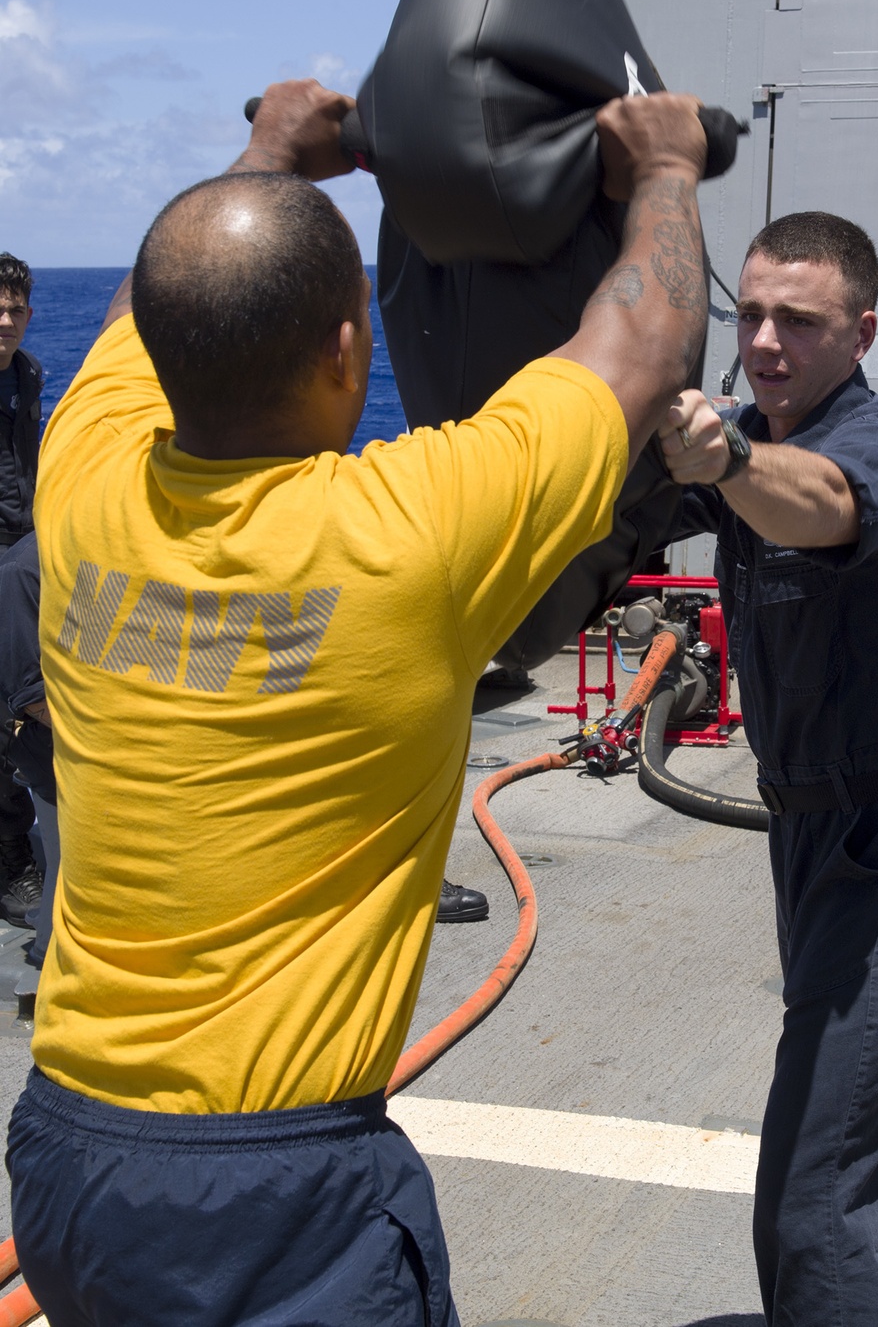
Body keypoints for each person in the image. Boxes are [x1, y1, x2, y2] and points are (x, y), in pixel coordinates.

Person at [7, 77, 711, 1326]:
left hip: (65, 1152)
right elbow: (640, 348)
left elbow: (139, 309)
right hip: (278, 1198)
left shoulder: (82, 469)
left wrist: (272, 145)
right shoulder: (411, 531)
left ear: (156, 361)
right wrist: (663, 164)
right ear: (350, 346)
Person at [660, 211, 878, 1327]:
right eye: (747, 314)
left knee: (813, 1192)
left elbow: (823, 505)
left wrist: (731, 456)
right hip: (807, 838)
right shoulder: (743, 436)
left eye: (797, 321)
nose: (762, 342)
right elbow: (626, 507)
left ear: (860, 334)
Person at [0, 253, 44, 931]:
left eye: (16, 308)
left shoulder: (28, 376)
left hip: (21, 551)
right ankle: (10, 858)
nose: (5, 320)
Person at [0, 532, 58, 972]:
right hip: (50, 744)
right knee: (64, 862)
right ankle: (48, 956)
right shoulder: (23, 569)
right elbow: (31, 696)